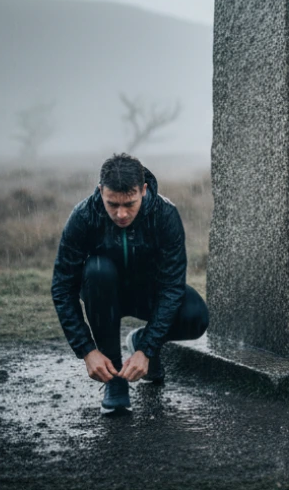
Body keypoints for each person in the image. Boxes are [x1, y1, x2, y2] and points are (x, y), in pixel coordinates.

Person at [51, 153, 209, 414]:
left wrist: (147, 348)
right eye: (112, 204)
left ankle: (141, 343)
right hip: (102, 294)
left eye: (130, 204)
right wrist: (87, 350)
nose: (121, 213)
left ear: (144, 190)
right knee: (98, 270)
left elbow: (172, 287)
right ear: (101, 190)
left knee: (196, 315)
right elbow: (62, 287)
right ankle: (115, 379)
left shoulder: (165, 215)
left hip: (149, 293)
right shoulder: (83, 216)